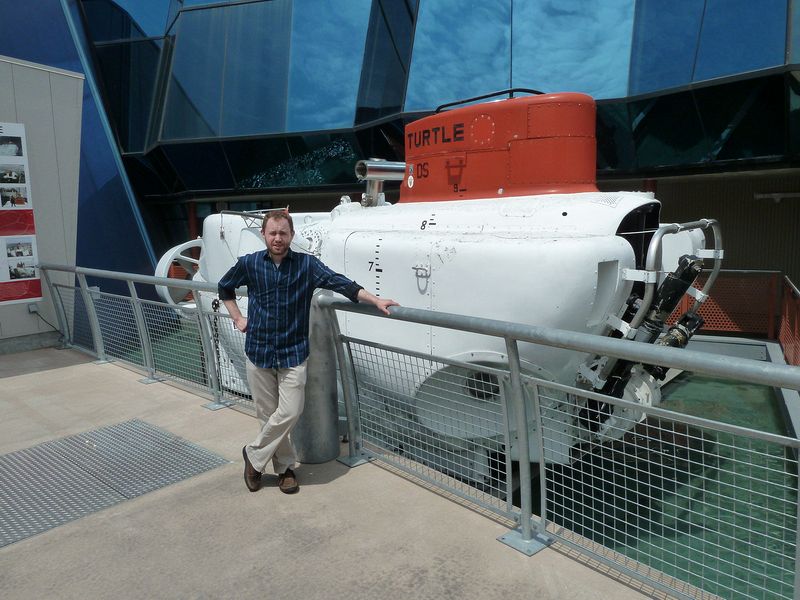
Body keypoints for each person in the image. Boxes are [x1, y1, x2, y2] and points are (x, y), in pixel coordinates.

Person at [218, 211, 397, 494]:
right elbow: (224, 288)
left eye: (283, 233)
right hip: (258, 350)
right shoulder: (249, 264)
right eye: (273, 233)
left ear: (292, 235)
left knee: (289, 411)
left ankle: (253, 456)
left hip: (292, 352)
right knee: (267, 416)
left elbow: (341, 283)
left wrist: (374, 299)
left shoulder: (307, 265)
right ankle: (285, 468)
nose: (278, 238)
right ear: (264, 234)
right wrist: (238, 318)